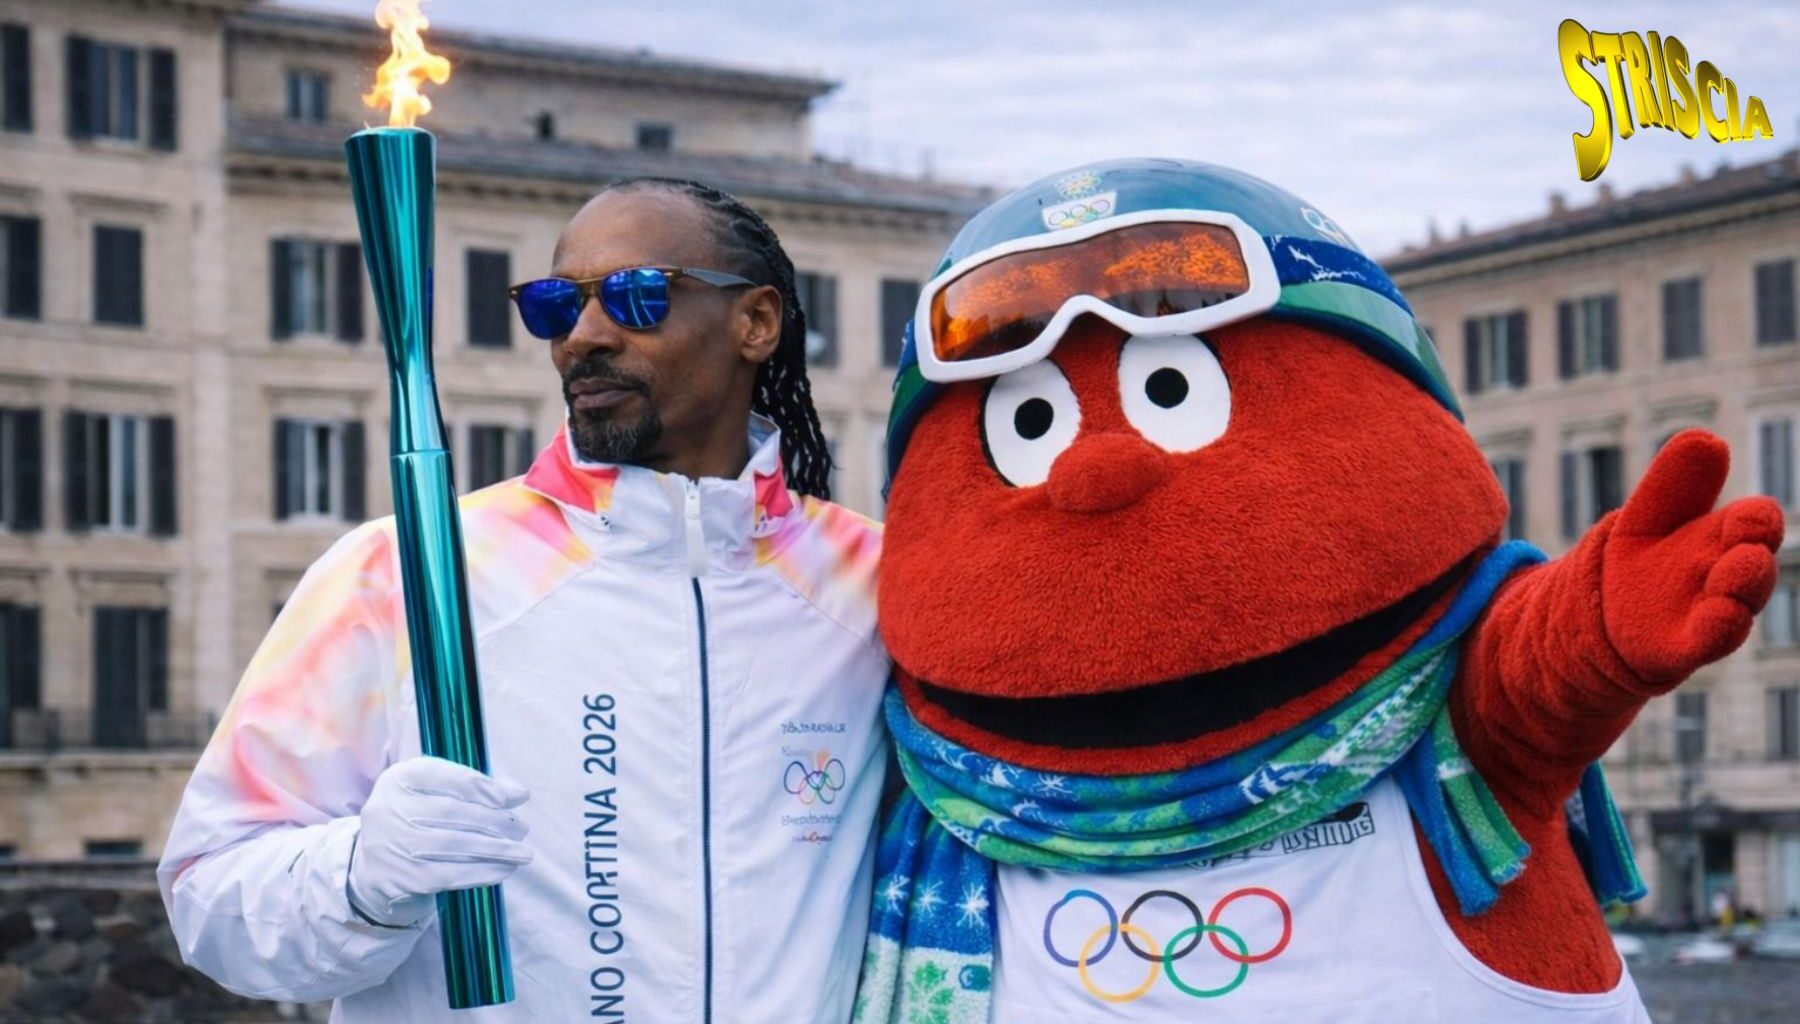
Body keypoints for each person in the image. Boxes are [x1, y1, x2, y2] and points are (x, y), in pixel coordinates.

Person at [159, 178, 888, 1022]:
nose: (583, 336)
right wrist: (360, 877)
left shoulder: (871, 584)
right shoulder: (400, 576)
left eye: (636, 296)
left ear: (754, 323)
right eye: (554, 307)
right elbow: (208, 895)